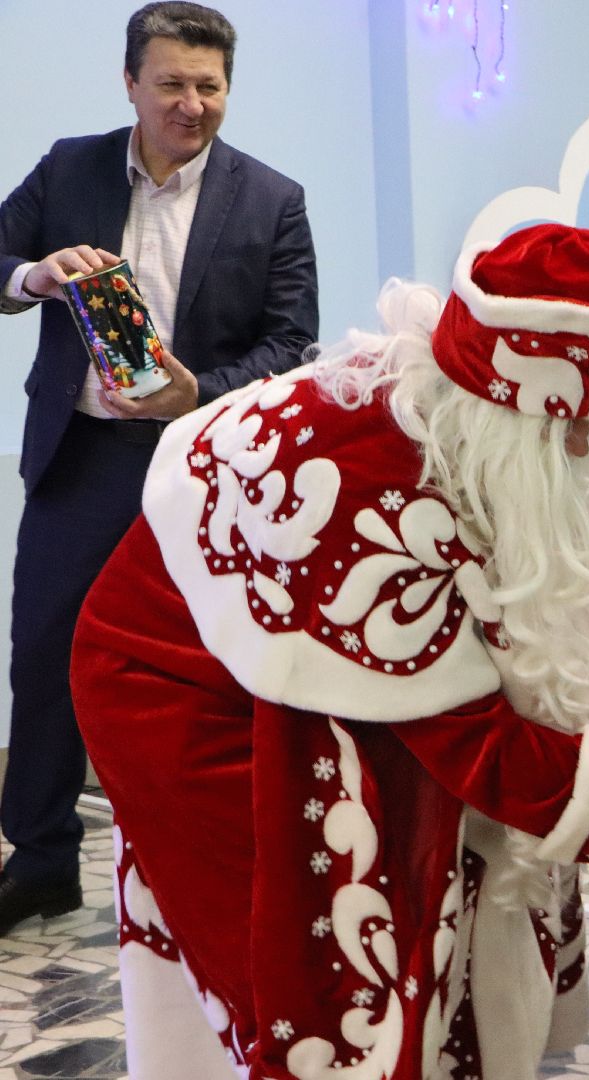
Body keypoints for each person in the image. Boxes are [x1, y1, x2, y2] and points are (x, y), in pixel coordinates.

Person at [68, 222, 589, 1079]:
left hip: (312, 650)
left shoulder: (472, 421)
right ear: (506, 413)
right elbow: (484, 742)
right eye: (561, 432)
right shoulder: (366, 482)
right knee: (332, 913)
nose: (579, 448)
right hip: (174, 685)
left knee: (442, 853)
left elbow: (525, 566)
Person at [0, 1, 318, 934]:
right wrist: (36, 275)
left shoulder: (273, 198)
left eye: (209, 87)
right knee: (47, 654)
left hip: (206, 466)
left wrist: (197, 393)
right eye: (172, 83)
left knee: (216, 663)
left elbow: (293, 346)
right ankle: (44, 858)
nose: (192, 105)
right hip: (84, 457)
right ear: (130, 82)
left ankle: (227, 857)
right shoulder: (69, 167)